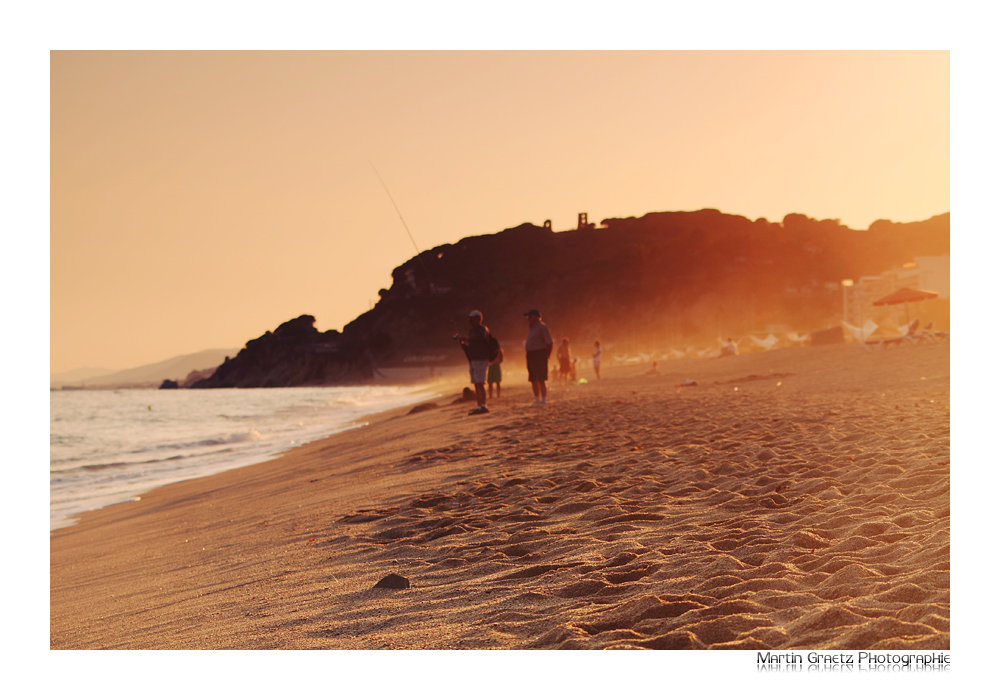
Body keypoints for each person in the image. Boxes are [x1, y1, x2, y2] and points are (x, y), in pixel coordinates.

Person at [455, 310, 491, 415]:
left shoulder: (482, 329)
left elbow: (480, 338)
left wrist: (465, 338)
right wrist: (463, 344)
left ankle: (484, 406)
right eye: (469, 319)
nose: (470, 321)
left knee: (480, 383)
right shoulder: (471, 331)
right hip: (473, 360)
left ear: (478, 319)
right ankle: (479, 406)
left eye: (472, 318)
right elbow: (470, 346)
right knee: (476, 383)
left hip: (481, 359)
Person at [523, 309, 553, 406]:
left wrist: (547, 355)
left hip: (539, 354)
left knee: (541, 378)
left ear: (535, 317)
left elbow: (549, 343)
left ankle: (543, 400)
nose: (528, 319)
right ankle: (537, 399)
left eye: (529, 317)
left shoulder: (542, 327)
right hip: (531, 354)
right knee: (533, 378)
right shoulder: (532, 328)